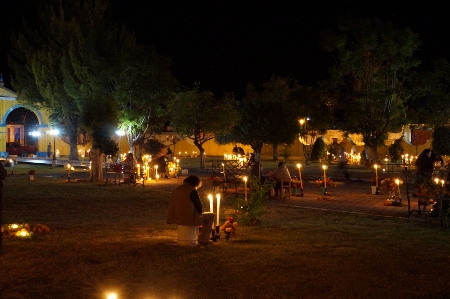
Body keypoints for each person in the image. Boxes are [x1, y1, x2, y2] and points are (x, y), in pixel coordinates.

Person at [167, 175, 214, 245]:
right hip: (189, 218)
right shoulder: (192, 191)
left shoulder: (176, 190)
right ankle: (203, 239)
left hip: (175, 217)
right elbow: (199, 207)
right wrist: (199, 215)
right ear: (196, 183)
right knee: (210, 216)